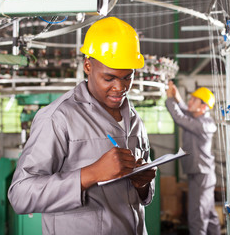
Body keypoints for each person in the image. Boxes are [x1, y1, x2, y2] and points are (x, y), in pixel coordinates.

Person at [8, 17, 156, 235]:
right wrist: (91, 174)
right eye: (109, 78)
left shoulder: (133, 118)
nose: (120, 87)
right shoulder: (58, 118)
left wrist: (142, 185)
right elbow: (21, 195)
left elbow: (140, 199)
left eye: (127, 77)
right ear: (88, 66)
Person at [165, 81, 221, 235]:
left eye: (194, 100)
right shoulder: (198, 117)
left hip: (201, 176)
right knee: (209, 215)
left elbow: (180, 118)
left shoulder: (205, 124)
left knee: (197, 218)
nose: (189, 102)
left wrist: (170, 99)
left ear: (203, 107)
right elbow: (186, 111)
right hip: (200, 174)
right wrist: (177, 98)